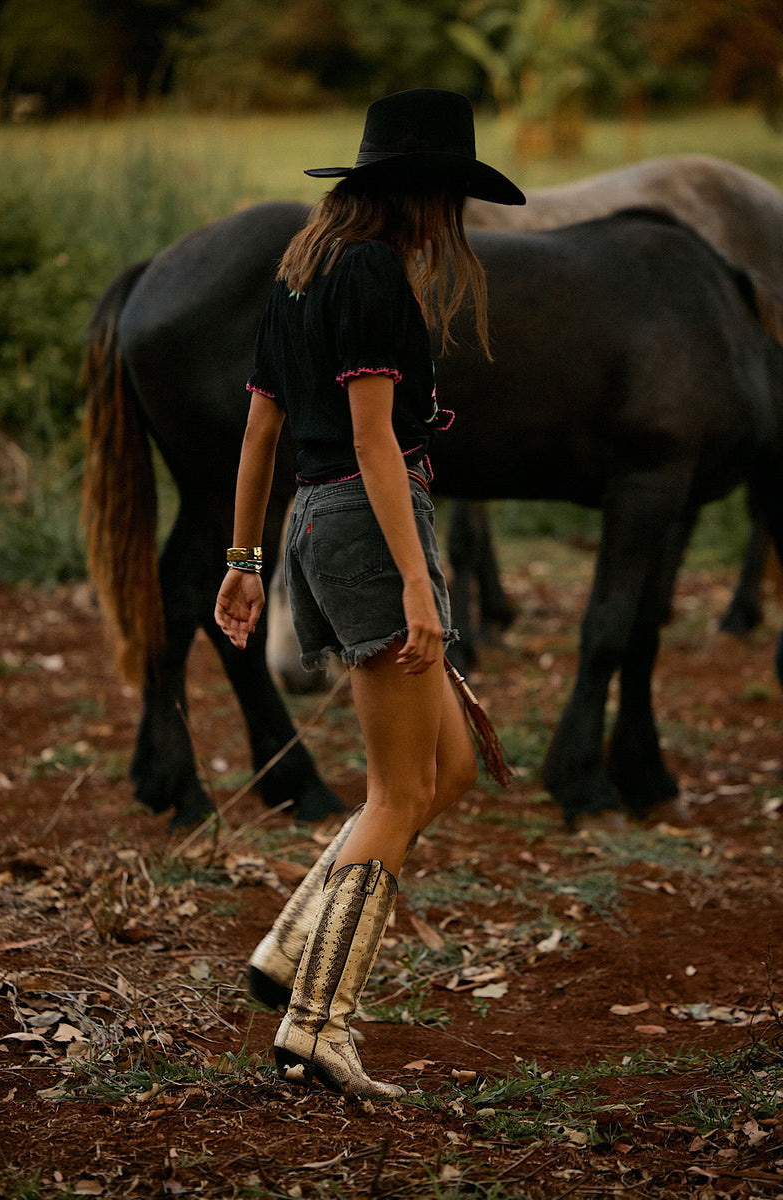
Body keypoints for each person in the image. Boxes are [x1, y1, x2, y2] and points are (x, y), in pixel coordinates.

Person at [214, 88, 525, 1100]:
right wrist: (417, 582)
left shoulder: (300, 272)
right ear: (423, 192)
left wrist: (245, 558)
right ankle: (317, 1024)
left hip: (317, 521)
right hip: (365, 523)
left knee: (448, 768)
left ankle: (291, 946)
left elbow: (261, 431)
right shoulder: (374, 274)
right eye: (450, 197)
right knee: (399, 794)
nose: (451, 219)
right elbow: (372, 439)